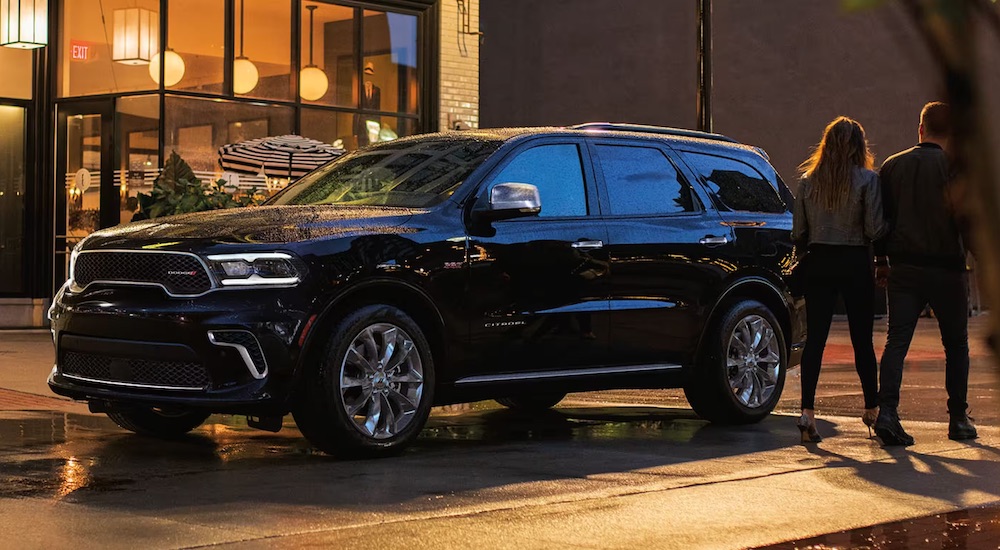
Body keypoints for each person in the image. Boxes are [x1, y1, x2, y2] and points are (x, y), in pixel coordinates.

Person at [873, 101, 977, 445]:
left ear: (921, 128)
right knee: (956, 345)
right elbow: (969, 223)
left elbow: (881, 221)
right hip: (948, 270)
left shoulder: (892, 166)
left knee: (896, 342)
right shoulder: (957, 169)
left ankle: (888, 412)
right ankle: (958, 418)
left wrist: (881, 261)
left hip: (904, 268)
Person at [792, 116, 887, 443]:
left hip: (819, 262)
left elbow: (798, 234)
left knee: (815, 338)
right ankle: (872, 409)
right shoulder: (867, 180)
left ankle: (807, 412)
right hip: (854, 262)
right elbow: (874, 229)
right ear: (859, 146)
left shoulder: (807, 182)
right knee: (862, 339)